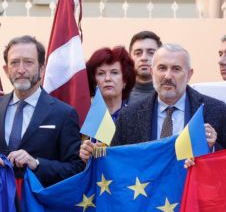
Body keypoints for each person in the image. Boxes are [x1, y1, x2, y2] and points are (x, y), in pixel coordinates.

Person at [81, 44, 226, 162]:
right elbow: (117, 164)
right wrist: (95, 156)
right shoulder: (128, 116)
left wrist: (211, 149)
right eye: (162, 68)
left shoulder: (216, 111)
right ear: (152, 72)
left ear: (189, 74)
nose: (168, 76)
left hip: (193, 195)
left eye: (176, 69)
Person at [0, 35, 83, 187]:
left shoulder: (64, 113)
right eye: (15, 62)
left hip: (39, 206)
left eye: (28, 62)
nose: (21, 70)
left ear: (42, 69)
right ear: (6, 69)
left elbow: (76, 168)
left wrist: (36, 164)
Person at [85, 46, 136, 120]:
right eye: (101, 73)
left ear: (125, 80)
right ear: (94, 80)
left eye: (114, 73)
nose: (108, 78)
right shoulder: (85, 117)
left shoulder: (136, 117)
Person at [127, 30, 162, 104]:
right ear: (130, 57)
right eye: (138, 53)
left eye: (151, 53)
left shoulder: (172, 94)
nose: (144, 58)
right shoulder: (118, 94)